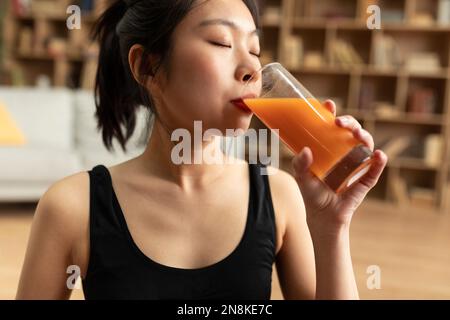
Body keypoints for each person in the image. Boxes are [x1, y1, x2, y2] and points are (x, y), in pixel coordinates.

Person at [16, 0, 387, 300]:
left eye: (254, 49)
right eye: (222, 43)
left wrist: (331, 227)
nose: (251, 69)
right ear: (146, 66)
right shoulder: (72, 207)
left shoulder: (279, 195)